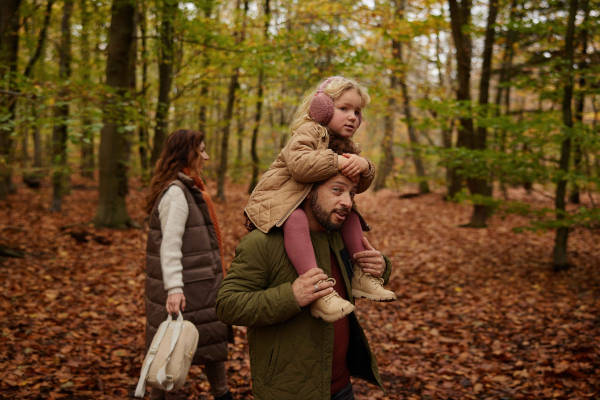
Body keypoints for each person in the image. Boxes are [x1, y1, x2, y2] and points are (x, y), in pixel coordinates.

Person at [217, 172, 392, 399]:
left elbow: (362, 280)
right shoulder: (263, 243)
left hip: (342, 387)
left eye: (351, 194)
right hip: (289, 391)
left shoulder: (339, 238)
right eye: (337, 190)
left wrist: (381, 267)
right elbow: (227, 304)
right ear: (308, 192)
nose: (347, 202)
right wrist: (292, 296)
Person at [245, 76, 395, 323]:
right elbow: (300, 166)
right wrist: (337, 160)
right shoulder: (309, 132)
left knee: (351, 214)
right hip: (281, 202)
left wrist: (364, 167)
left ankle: (361, 273)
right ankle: (317, 289)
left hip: (315, 206)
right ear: (321, 107)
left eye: (357, 112)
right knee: (296, 219)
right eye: (344, 108)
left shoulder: (347, 145)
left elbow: (357, 185)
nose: (352, 117)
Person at [144, 129, 233, 400]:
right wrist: (173, 289)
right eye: (202, 151)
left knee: (210, 342)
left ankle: (223, 393)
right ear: (188, 154)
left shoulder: (189, 188)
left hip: (200, 284)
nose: (205, 157)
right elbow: (169, 245)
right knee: (170, 352)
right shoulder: (176, 193)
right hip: (186, 289)